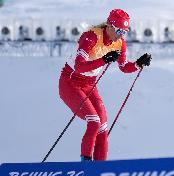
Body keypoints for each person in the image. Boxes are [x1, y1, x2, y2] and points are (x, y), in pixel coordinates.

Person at [58, 9, 151, 162]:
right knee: (94, 121)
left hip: (89, 84)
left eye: (125, 32)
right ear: (109, 25)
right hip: (70, 82)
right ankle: (86, 165)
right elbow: (79, 66)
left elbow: (124, 67)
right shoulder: (91, 37)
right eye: (119, 30)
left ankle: (100, 170)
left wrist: (137, 64)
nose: (121, 35)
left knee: (103, 128)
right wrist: (104, 60)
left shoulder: (119, 43)